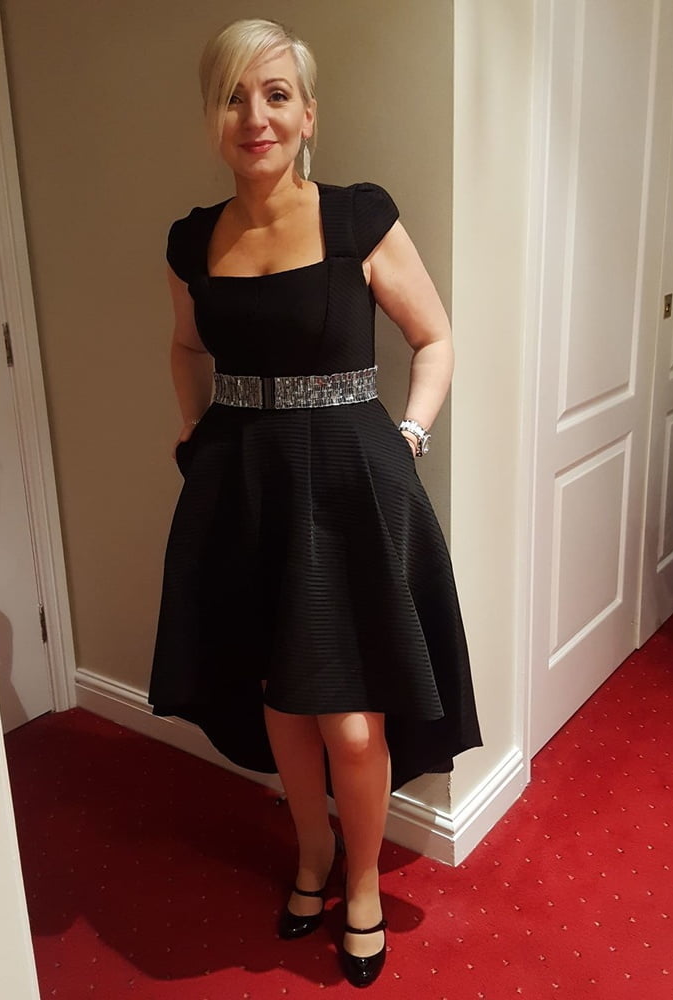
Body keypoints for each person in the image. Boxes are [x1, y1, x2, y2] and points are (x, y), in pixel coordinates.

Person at [148, 17, 482, 989]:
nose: (254, 116)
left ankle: (363, 879)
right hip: (242, 492)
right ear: (213, 117)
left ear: (308, 116)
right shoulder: (190, 240)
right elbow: (186, 346)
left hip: (348, 492)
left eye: (276, 94)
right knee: (282, 700)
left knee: (352, 721)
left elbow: (435, 337)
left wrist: (408, 434)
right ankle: (312, 852)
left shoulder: (357, 218)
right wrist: (192, 429)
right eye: (233, 97)